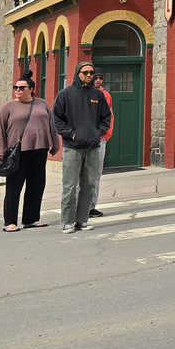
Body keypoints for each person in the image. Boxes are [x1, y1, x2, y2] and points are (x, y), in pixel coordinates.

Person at [0, 77, 59, 232]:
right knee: (14, 187)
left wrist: (55, 145)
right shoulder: (8, 107)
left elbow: (51, 125)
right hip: (17, 152)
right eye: (16, 87)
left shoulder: (42, 104)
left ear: (31, 89)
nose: (18, 90)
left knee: (36, 186)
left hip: (40, 150)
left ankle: (31, 219)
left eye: (22, 88)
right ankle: (9, 222)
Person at [53, 61, 112, 233]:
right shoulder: (65, 94)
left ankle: (82, 220)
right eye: (85, 72)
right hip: (72, 147)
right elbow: (57, 120)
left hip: (93, 147)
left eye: (91, 73)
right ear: (78, 73)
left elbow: (106, 118)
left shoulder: (98, 95)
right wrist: (72, 134)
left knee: (89, 184)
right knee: (70, 186)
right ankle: (67, 221)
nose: (89, 75)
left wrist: (97, 133)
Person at [88, 68, 114, 218]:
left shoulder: (106, 95)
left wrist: (107, 134)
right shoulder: (83, 93)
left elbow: (110, 116)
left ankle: (92, 206)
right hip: (84, 139)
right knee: (82, 175)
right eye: (95, 78)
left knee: (96, 174)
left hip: (100, 139)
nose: (98, 80)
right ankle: (80, 205)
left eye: (100, 78)